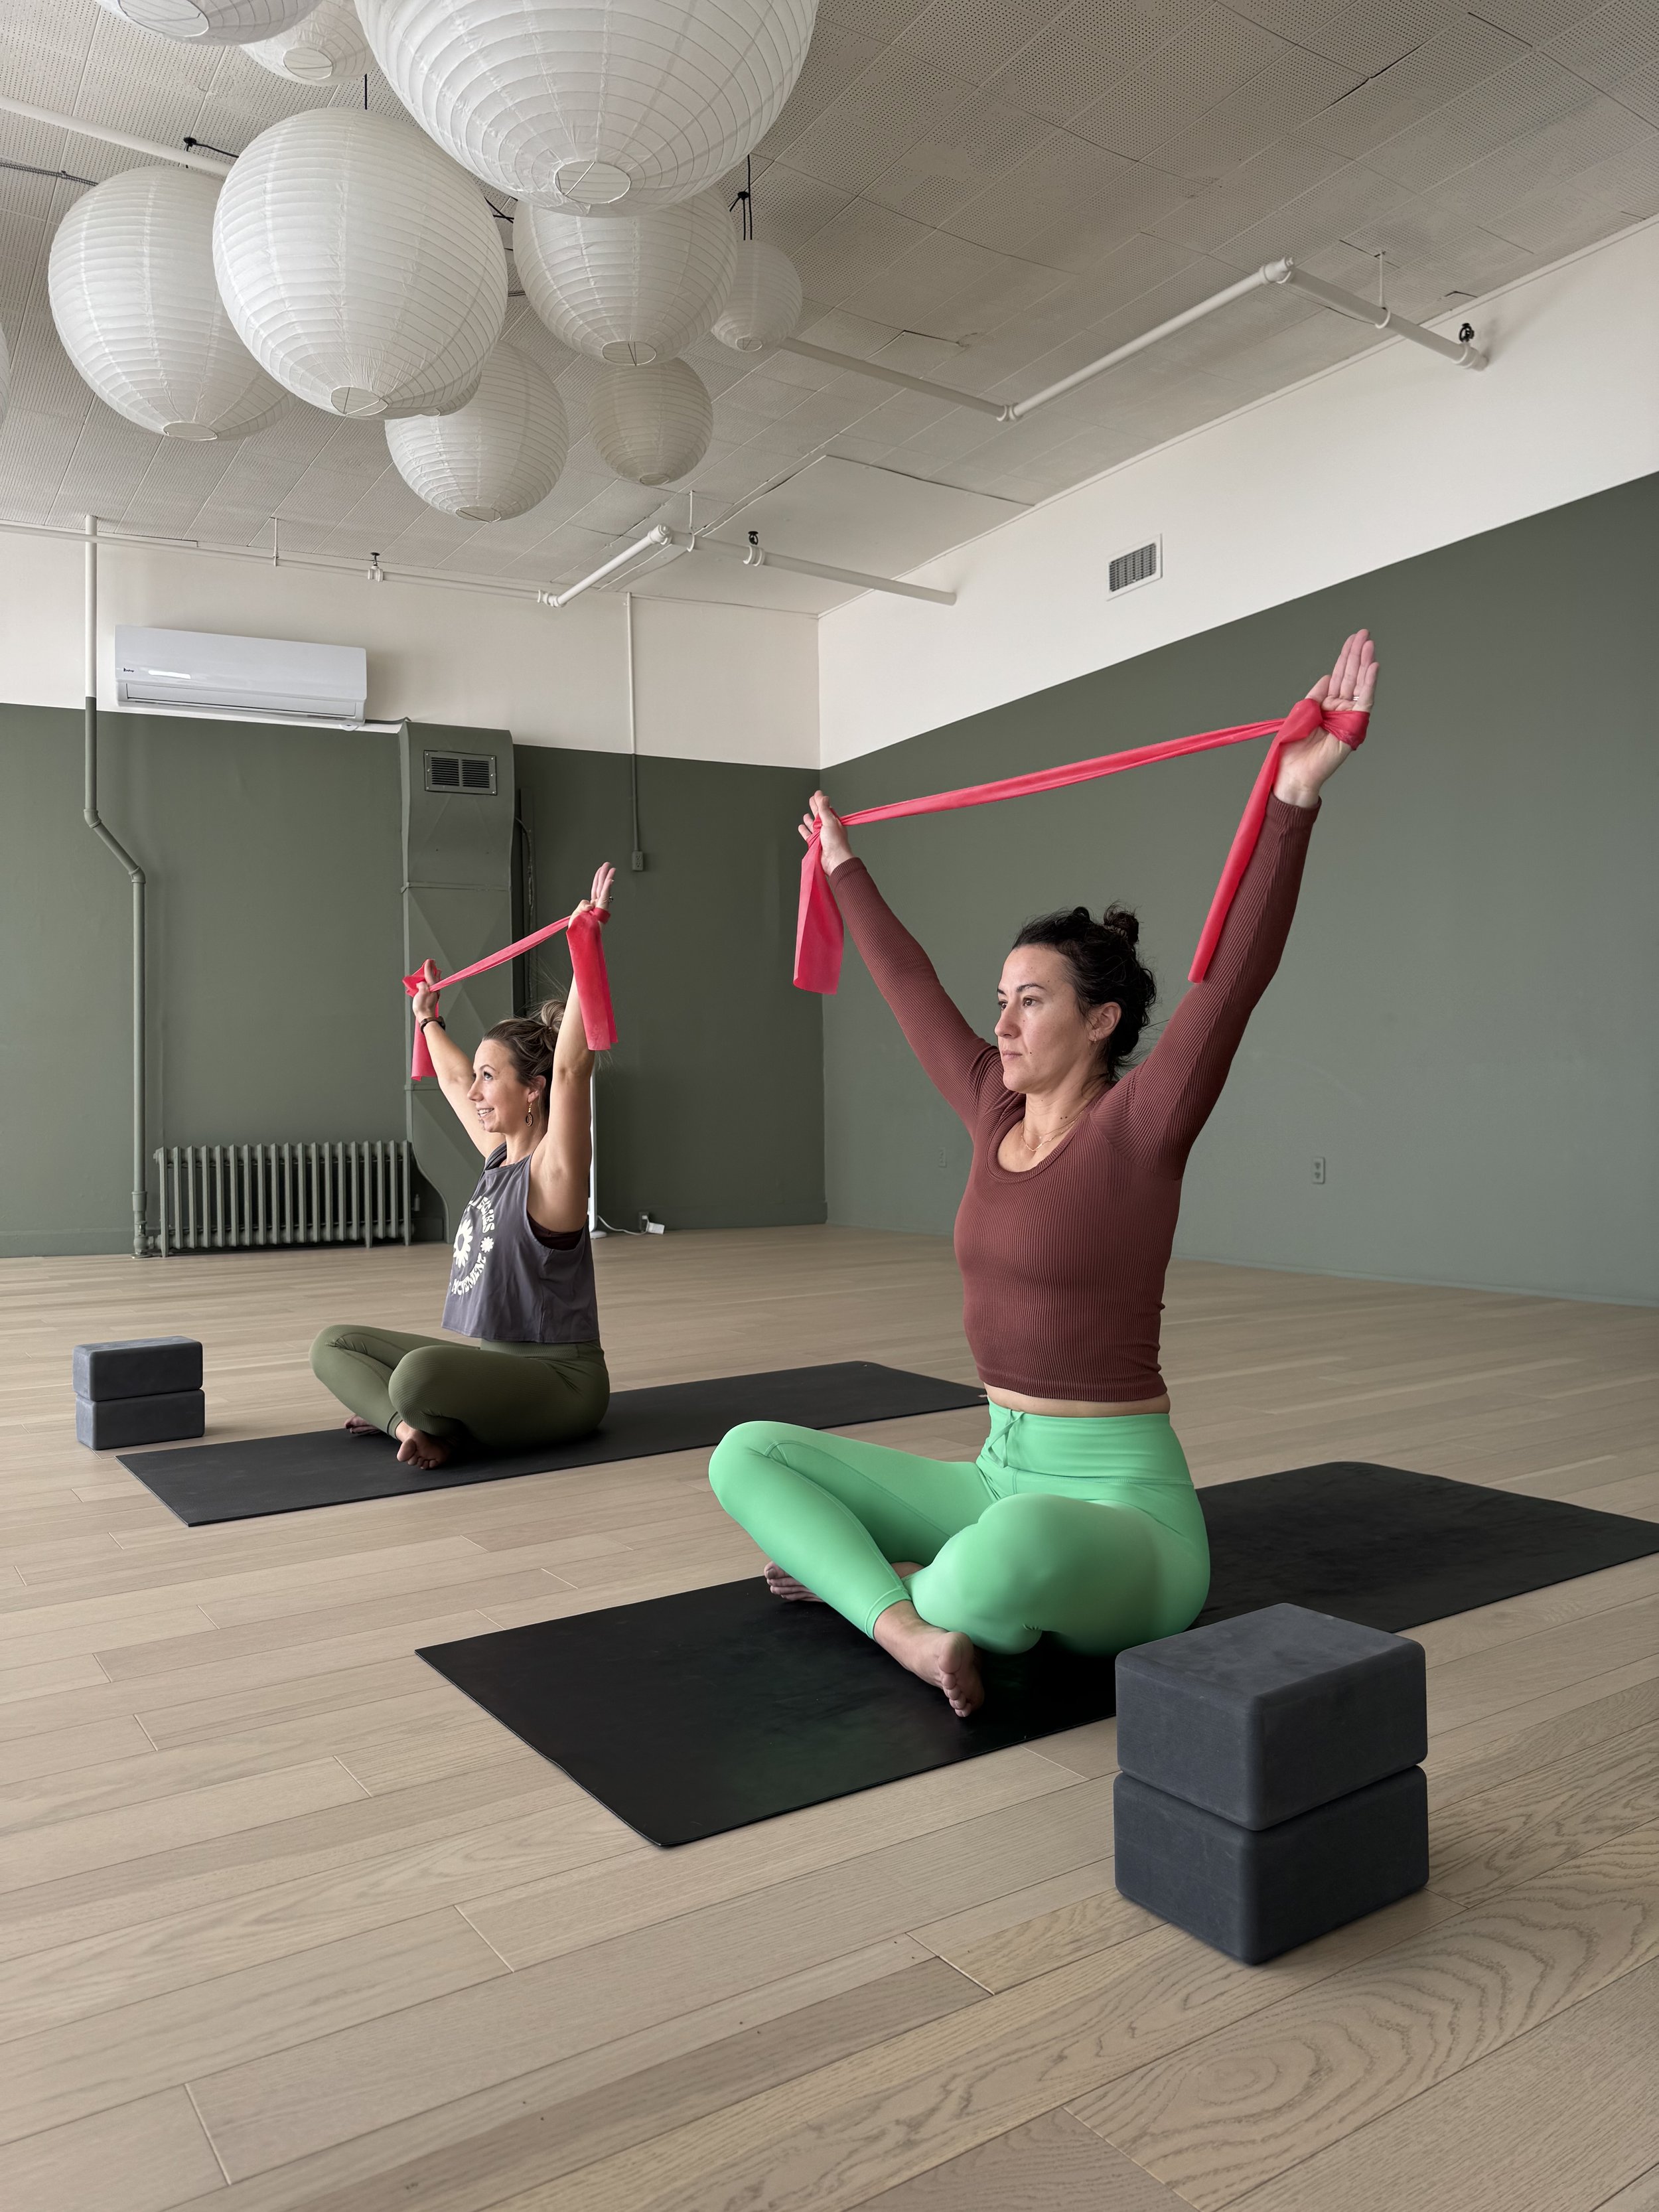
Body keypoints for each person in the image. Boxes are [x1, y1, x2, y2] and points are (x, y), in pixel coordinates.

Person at [710, 634, 1378, 1715]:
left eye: (1033, 999)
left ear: (1101, 1019)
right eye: (1004, 997)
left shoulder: (1142, 1125)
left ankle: (902, 1595)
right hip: (993, 1469)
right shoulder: (989, 1102)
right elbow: (906, 980)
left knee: (1004, 1550)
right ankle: (914, 1631)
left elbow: (1233, 979)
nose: (1002, 1020)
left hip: (1124, 1519)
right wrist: (838, 861)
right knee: (747, 1453)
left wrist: (1293, 795)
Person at [310, 863, 616, 1470]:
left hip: (560, 1381)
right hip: (493, 1367)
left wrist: (588, 939)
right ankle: (412, 1432)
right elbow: (450, 1077)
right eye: (476, 1074)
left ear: (532, 1089)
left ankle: (416, 1417)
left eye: (489, 1076)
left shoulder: (554, 1175)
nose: (474, 1091)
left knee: (418, 1375)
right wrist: (426, 1016)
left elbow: (571, 1068)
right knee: (333, 1346)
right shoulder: (498, 1155)